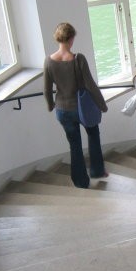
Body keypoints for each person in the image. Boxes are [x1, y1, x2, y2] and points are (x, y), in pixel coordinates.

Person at [43, 22, 108, 188]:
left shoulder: (48, 62)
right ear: (71, 39)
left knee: (74, 145)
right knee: (93, 134)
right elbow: (90, 85)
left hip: (62, 110)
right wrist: (102, 105)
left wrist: (51, 105)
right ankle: (97, 170)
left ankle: (80, 182)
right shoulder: (78, 59)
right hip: (81, 109)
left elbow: (46, 89)